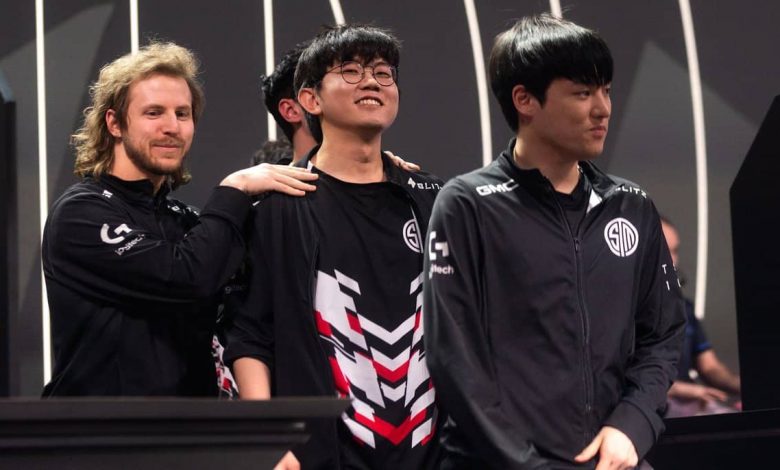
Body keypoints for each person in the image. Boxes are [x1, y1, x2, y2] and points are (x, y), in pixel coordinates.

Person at [423, 15, 685, 469]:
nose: (602, 109)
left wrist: (633, 423)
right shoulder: (467, 204)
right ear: (525, 100)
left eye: (606, 90)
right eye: (582, 93)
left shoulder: (631, 205)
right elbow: (453, 359)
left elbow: (662, 336)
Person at [42, 42, 318, 397]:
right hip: (101, 429)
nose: (172, 127)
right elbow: (185, 277)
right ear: (114, 123)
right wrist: (233, 189)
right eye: (154, 113)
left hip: (194, 426)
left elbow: (254, 305)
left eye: (183, 114)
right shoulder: (80, 213)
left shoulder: (185, 221)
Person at [225, 25, 443, 469]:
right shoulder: (277, 207)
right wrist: (266, 437)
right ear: (310, 99)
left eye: (383, 73)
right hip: (322, 455)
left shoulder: (435, 199)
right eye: (351, 71)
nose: (371, 82)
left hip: (433, 454)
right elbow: (249, 335)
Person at [661, 217, 741, 417]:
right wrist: (682, 390)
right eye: (663, 250)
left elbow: (710, 367)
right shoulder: (621, 311)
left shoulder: (684, 308)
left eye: (674, 251)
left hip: (691, 407)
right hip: (654, 412)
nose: (672, 260)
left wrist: (743, 385)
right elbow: (623, 379)